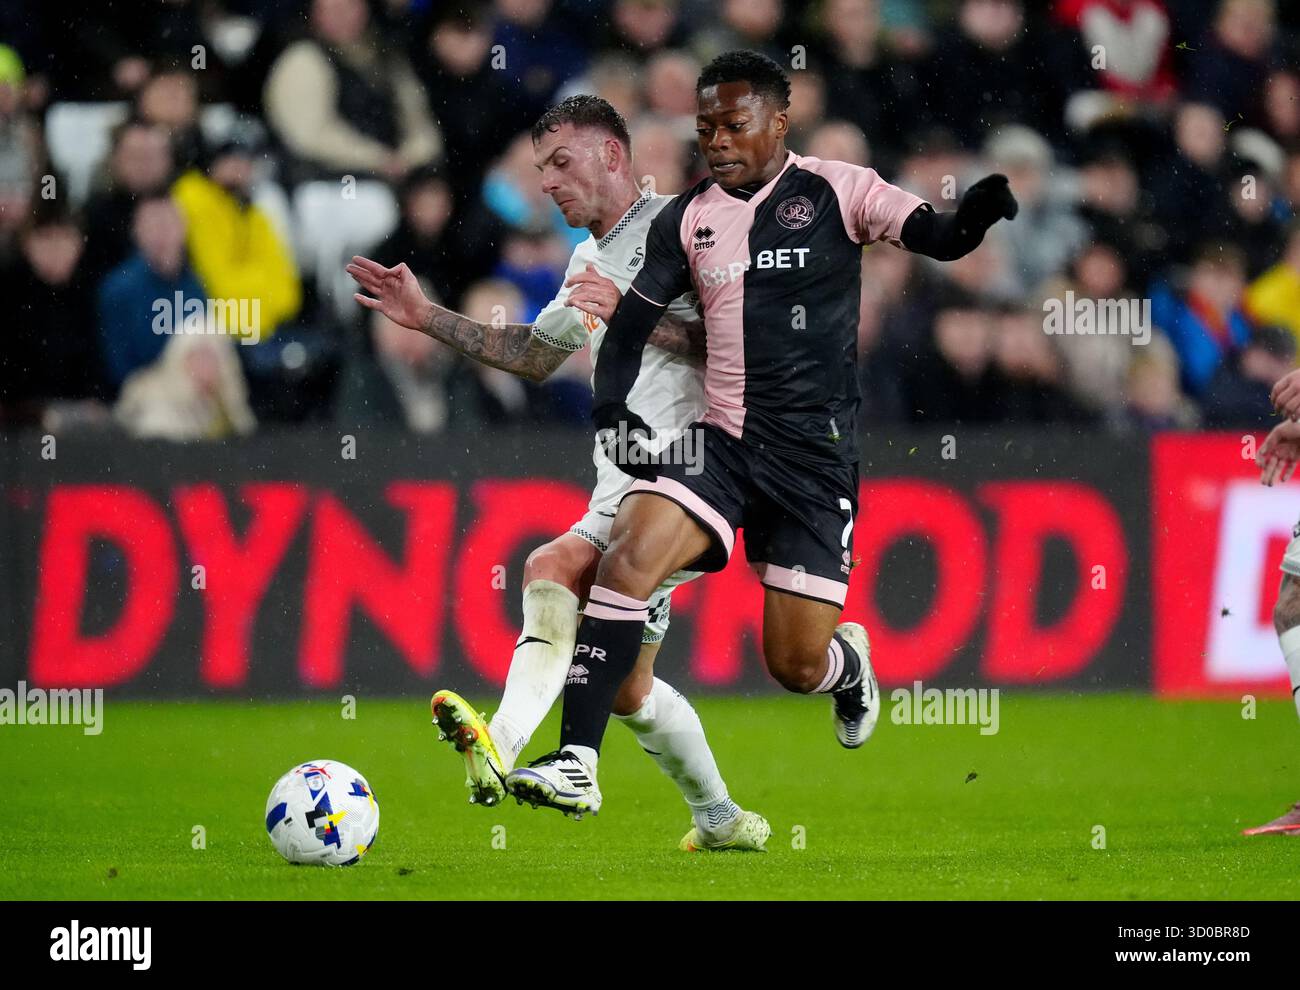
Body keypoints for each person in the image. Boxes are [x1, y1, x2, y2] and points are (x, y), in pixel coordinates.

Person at [508, 50, 1017, 818]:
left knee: (793, 662)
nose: (716, 140)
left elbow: (938, 237)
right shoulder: (689, 217)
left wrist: (975, 214)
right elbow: (632, 322)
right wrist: (612, 410)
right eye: (705, 125)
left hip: (813, 463)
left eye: (734, 124)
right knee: (629, 553)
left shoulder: (839, 189)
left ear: (779, 121)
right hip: (724, 442)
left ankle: (847, 668)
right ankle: (578, 761)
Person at [347, 95, 769, 852]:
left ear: (612, 155)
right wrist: (426, 316)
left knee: (553, 564)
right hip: (624, 481)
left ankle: (507, 745)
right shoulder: (584, 259)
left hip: (690, 469)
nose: (547, 182)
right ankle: (721, 819)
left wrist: (635, 315)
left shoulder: (692, 225)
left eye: (560, 163)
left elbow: (748, 349)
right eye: (540, 169)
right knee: (631, 689)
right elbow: (535, 357)